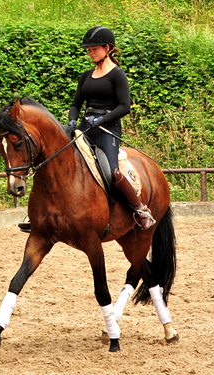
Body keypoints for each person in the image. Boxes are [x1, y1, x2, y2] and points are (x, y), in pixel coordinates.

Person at [66, 25, 156, 230]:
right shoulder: (86, 76)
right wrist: (72, 121)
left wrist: (104, 119)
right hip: (85, 127)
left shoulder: (117, 74)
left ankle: (139, 208)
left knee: (112, 172)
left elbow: (125, 106)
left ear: (107, 48)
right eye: (88, 50)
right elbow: (75, 104)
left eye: (94, 49)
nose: (90, 53)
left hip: (107, 130)